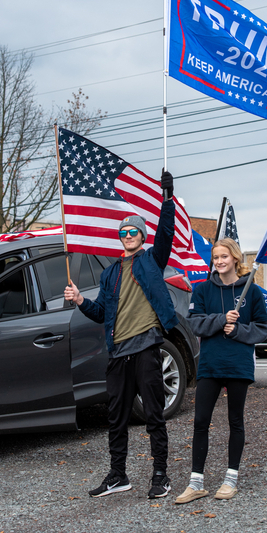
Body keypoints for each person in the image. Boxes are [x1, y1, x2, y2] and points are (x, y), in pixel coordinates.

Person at [64, 171, 177, 500]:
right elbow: (101, 313)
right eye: (124, 232)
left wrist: (167, 198)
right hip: (118, 354)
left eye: (133, 231)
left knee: (154, 415)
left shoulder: (152, 260)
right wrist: (80, 301)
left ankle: (160, 475)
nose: (128, 235)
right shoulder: (110, 272)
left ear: (141, 237)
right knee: (116, 418)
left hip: (146, 348)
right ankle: (118, 475)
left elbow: (166, 233)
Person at [175, 237, 267, 504]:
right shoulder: (203, 289)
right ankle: (196, 483)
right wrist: (221, 319)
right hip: (210, 365)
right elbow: (194, 323)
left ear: (235, 259)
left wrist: (238, 329)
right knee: (200, 421)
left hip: (238, 365)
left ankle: (230, 479)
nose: (219, 262)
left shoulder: (251, 291)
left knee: (235, 421)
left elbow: (262, 328)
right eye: (215, 258)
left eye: (224, 257)